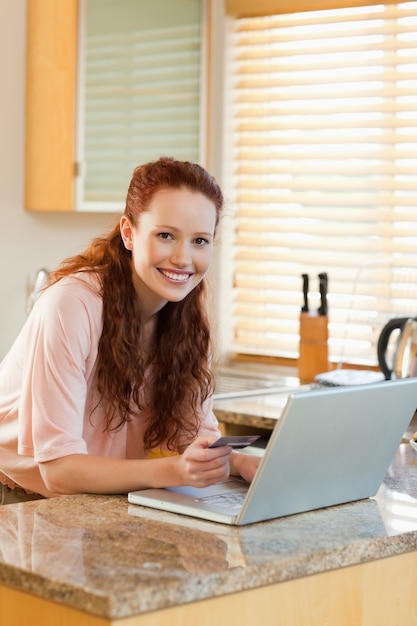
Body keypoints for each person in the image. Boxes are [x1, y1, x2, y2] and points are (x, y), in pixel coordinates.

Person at [0, 157, 260, 502]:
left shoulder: (189, 317)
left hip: (100, 495)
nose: (183, 259)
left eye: (200, 241)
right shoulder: (71, 305)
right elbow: (59, 470)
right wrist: (175, 470)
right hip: (18, 500)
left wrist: (241, 462)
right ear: (129, 233)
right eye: (166, 235)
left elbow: (191, 433)